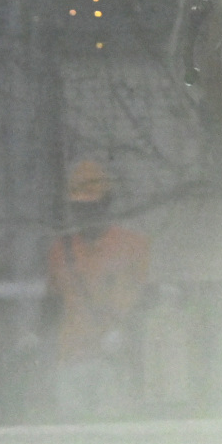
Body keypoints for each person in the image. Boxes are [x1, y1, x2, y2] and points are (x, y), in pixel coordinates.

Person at [43, 159, 151, 420]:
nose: (85, 214)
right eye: (79, 208)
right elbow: (51, 303)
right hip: (71, 358)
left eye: (91, 207)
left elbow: (146, 302)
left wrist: (126, 335)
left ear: (106, 205)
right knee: (71, 432)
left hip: (114, 360)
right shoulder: (60, 250)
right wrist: (36, 339)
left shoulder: (133, 246)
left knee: (112, 431)